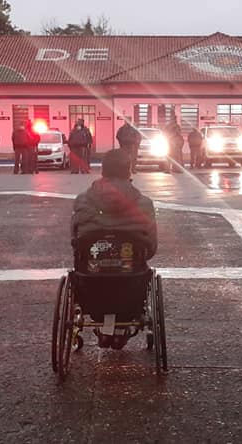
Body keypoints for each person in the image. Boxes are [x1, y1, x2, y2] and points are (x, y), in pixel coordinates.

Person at [71, 149, 158, 350]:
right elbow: (151, 247)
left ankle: (104, 330)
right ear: (129, 172)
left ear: (103, 171)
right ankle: (121, 330)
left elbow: (75, 240)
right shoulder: (145, 203)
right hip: (131, 284)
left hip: (90, 282)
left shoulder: (82, 200)